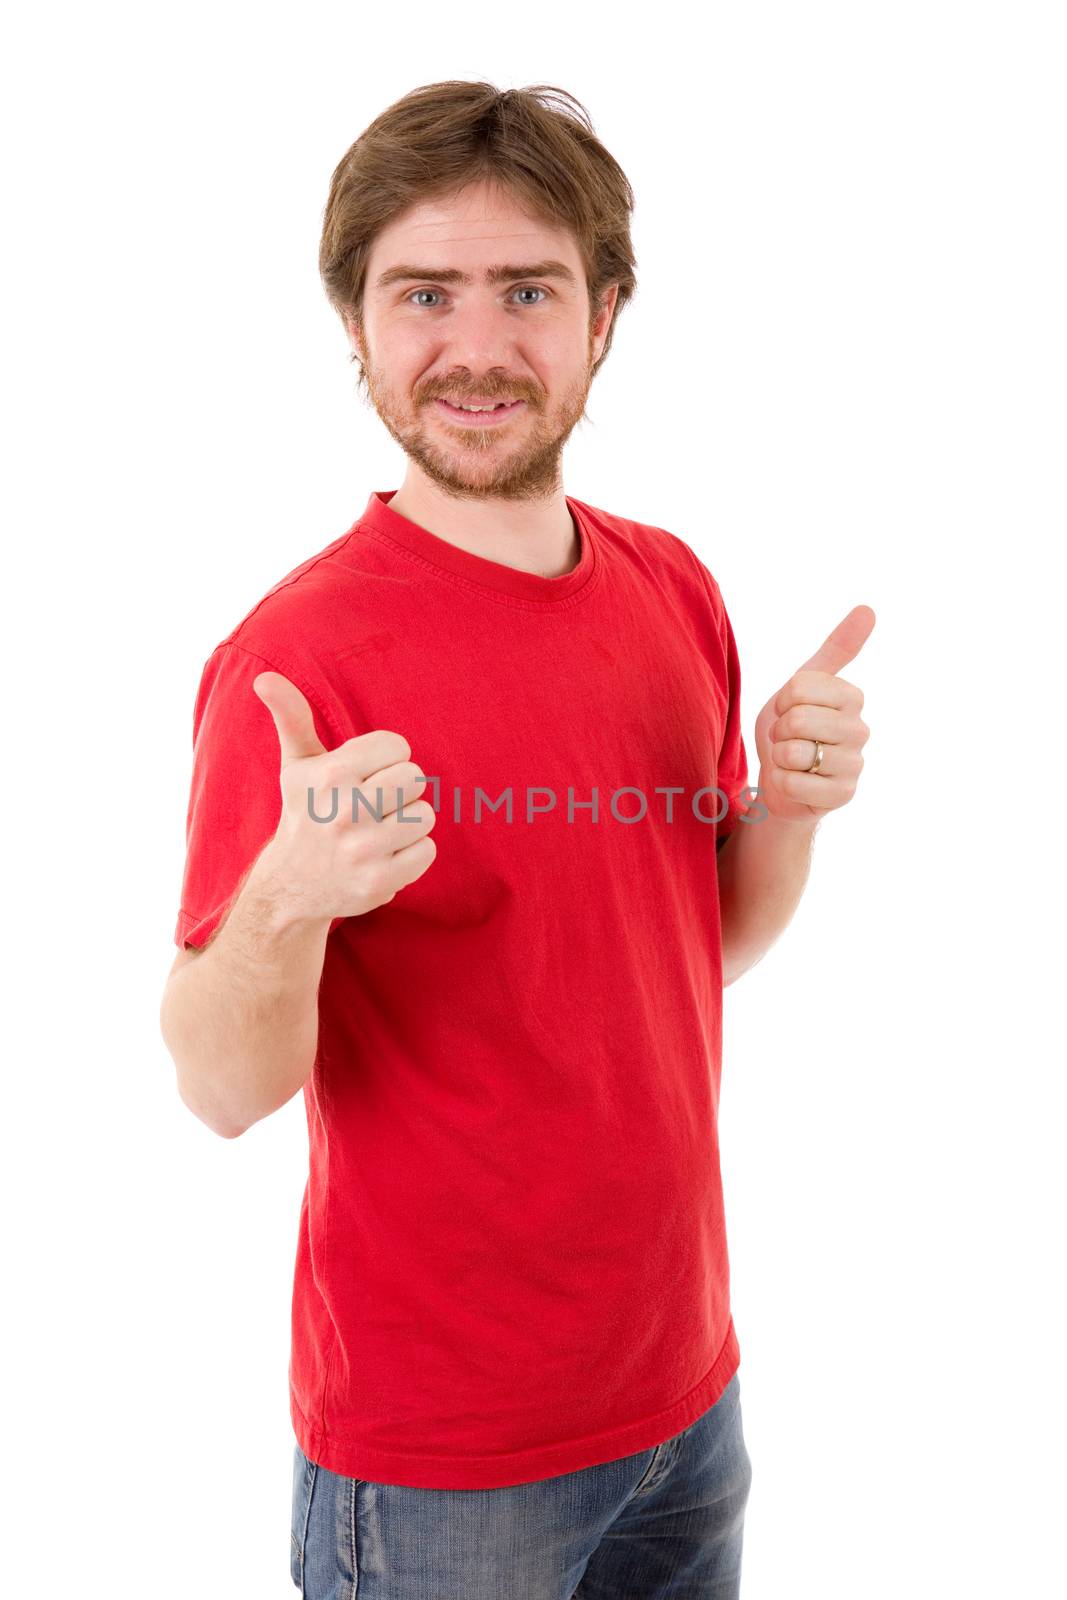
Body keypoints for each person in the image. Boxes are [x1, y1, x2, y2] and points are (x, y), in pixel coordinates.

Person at [160, 80, 874, 1600]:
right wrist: (288, 894)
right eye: (425, 293)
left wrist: (788, 814)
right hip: (444, 1468)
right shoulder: (297, 664)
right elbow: (220, 1089)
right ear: (355, 325)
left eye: (528, 291)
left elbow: (701, 945)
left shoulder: (672, 588)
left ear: (603, 316)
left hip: (689, 1393)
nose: (477, 349)